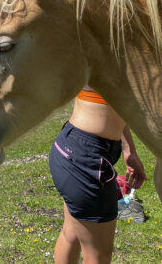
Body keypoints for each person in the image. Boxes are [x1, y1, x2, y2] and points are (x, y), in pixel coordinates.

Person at [49, 86, 147, 264]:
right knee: (98, 255)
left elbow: (116, 104)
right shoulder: (116, 60)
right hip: (87, 159)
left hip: (68, 148)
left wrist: (129, 150)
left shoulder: (103, 64)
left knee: (71, 233)